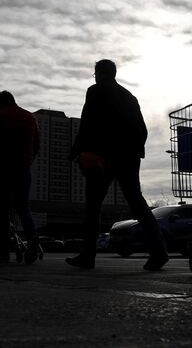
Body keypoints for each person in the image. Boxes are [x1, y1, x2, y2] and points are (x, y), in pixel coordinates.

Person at [66, 59, 169, 270]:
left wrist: (75, 152)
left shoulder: (95, 91)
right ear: (114, 73)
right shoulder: (130, 97)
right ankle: (159, 252)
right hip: (129, 156)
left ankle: (88, 256)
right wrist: (136, 151)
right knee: (137, 203)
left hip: (103, 156)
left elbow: (88, 123)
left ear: (98, 74)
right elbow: (142, 129)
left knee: (93, 206)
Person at [0, 90, 40, 263]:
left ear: (2, 103)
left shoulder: (0, 116)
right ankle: (32, 240)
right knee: (23, 207)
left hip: (4, 168)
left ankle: (4, 251)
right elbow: (37, 144)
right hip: (23, 168)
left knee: (3, 209)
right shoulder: (29, 117)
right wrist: (27, 160)